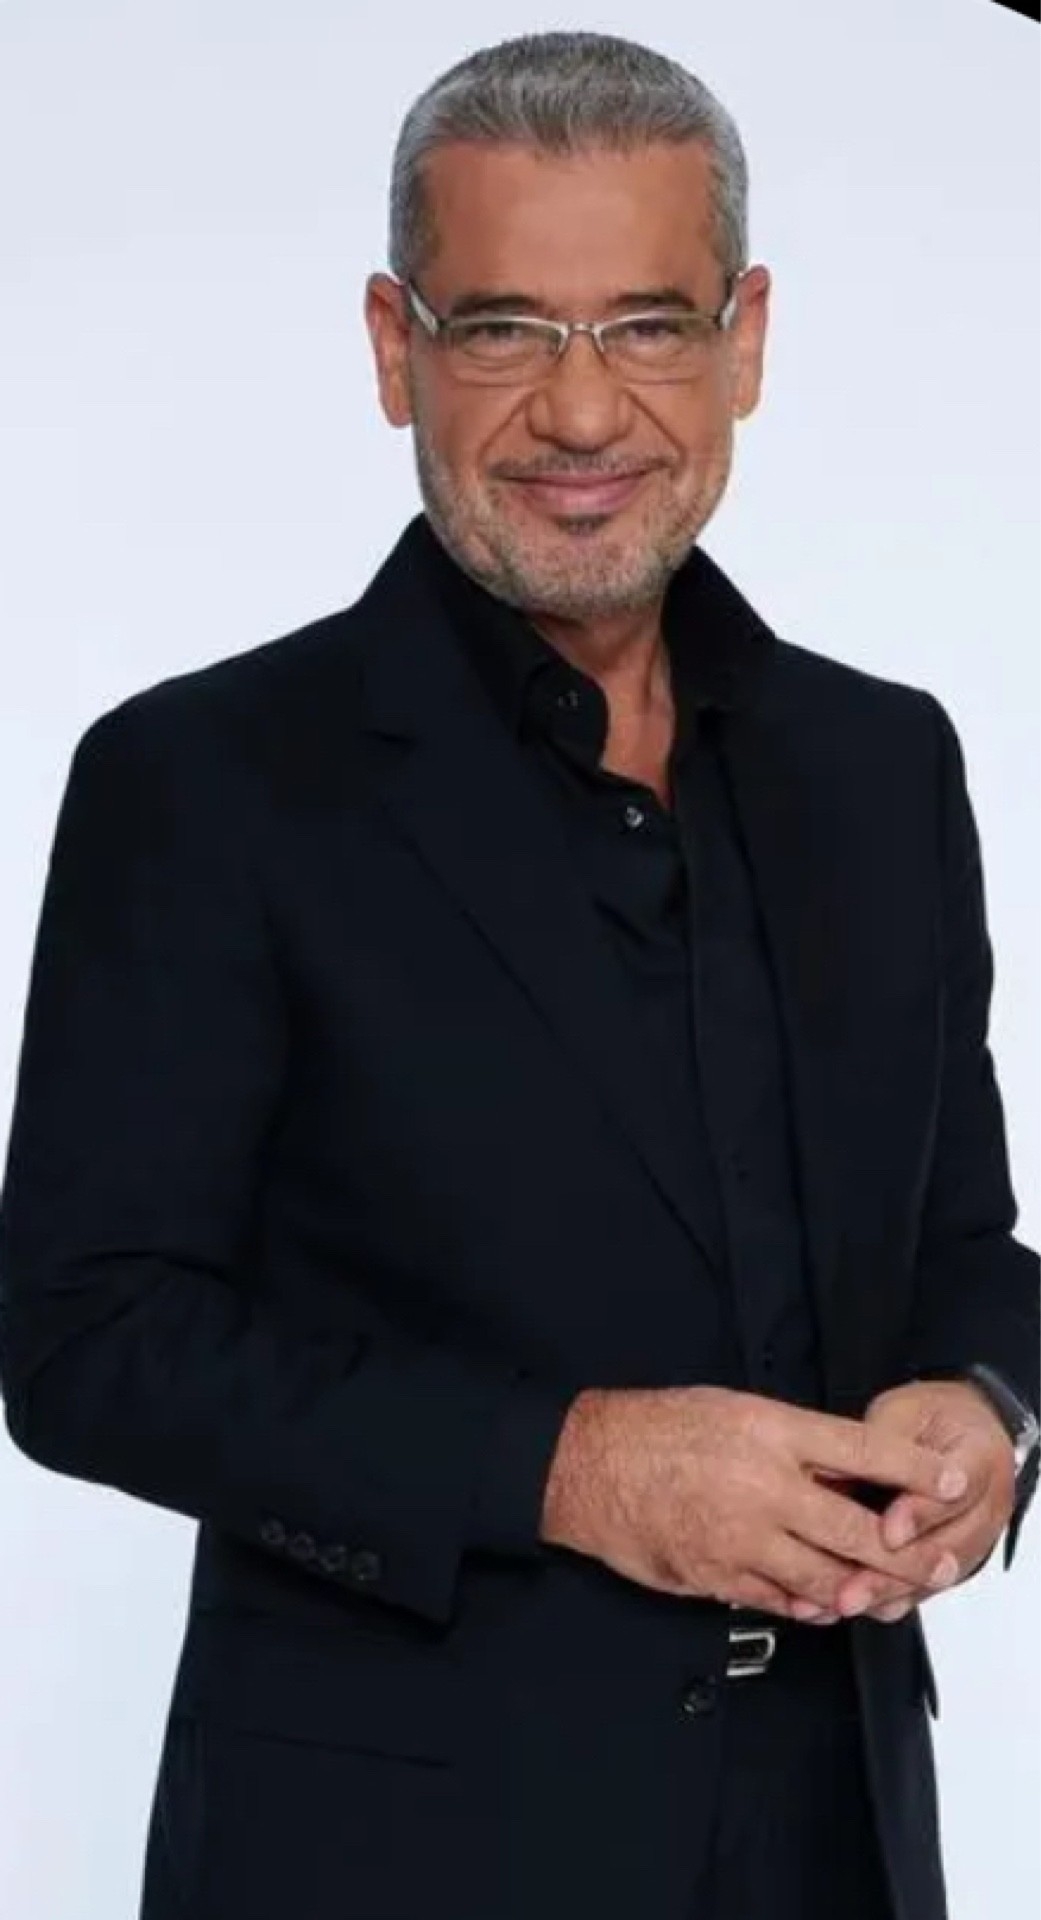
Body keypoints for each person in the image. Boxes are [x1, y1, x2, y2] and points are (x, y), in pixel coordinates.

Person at [0, 28, 1037, 1920]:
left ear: (742, 342)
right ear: (393, 346)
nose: (578, 410)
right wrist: (568, 1469)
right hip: (389, 1860)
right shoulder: (202, 781)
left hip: (839, 1841)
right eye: (501, 330)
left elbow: (963, 1239)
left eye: (644, 325)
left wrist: (988, 1411)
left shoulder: (885, 769)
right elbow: (84, 1344)